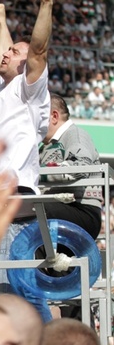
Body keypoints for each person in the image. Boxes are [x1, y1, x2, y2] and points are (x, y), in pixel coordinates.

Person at [0, 0, 55, 322]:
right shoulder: (3, 90)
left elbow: (36, 50)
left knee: (11, 292)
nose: (6, 53)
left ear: (27, 66)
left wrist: (46, 4)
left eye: (15, 52)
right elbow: (4, 53)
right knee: (3, 290)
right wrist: (1, 23)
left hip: (13, 202)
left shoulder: (30, 92)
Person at [40, 94, 103, 239]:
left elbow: (80, 166)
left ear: (54, 116)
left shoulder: (75, 135)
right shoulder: (45, 147)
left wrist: (40, 173)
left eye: (37, 118)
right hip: (59, 208)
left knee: (32, 208)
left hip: (82, 211)